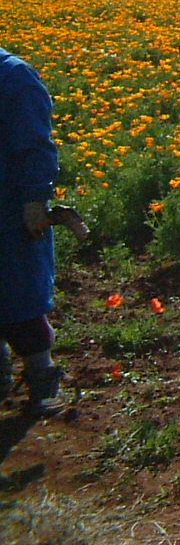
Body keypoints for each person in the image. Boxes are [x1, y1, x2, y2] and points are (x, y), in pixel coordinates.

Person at [0, 46, 69, 416]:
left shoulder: (13, 76)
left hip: (8, 209)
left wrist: (34, 199)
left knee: (20, 298)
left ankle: (43, 385)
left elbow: (36, 146)